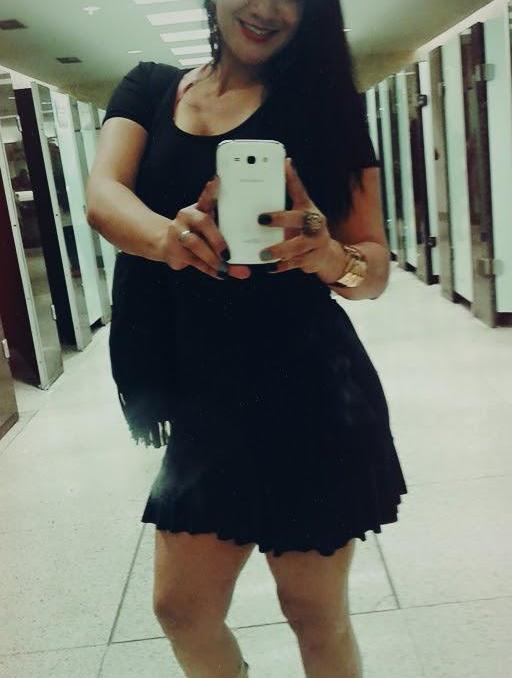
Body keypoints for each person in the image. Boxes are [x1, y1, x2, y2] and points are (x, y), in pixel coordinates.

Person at [86, 1, 408, 676]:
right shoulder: (149, 89)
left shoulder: (327, 108)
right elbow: (104, 195)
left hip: (312, 391)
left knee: (314, 612)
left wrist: (331, 258)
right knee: (182, 609)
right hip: (202, 394)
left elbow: (374, 268)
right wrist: (168, 239)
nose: (265, 7)